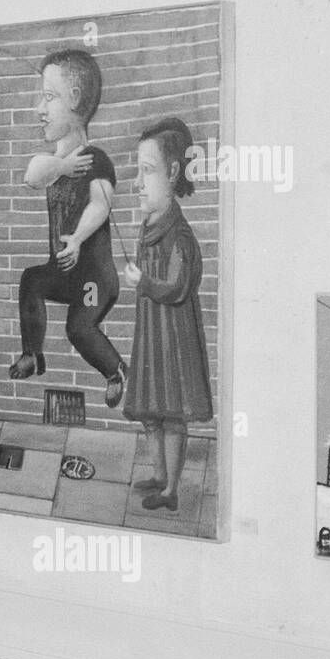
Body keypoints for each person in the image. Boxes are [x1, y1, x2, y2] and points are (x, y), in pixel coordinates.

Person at [9, 49, 127, 405]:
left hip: (94, 279)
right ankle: (32, 354)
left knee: (78, 328)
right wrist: (61, 167)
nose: (38, 110)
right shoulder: (53, 163)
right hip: (63, 272)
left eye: (49, 97)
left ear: (74, 99)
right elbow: (33, 175)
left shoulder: (96, 159)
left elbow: (101, 204)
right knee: (31, 280)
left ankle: (116, 371)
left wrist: (76, 239)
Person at [122, 117, 213, 511]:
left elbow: (177, 287)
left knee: (173, 414)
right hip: (151, 338)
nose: (138, 183)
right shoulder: (151, 226)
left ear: (173, 173)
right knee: (151, 413)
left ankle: (171, 490)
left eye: (147, 171)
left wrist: (142, 282)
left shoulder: (179, 237)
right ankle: (159, 475)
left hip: (174, 340)